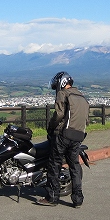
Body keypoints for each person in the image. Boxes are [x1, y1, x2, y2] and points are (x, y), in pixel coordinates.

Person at [37, 71, 89, 207]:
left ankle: (52, 197)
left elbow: (59, 114)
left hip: (63, 135)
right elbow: (86, 120)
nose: (56, 89)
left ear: (62, 83)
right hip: (78, 136)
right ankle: (78, 199)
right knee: (75, 167)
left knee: (54, 164)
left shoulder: (63, 94)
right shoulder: (82, 97)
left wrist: (51, 127)